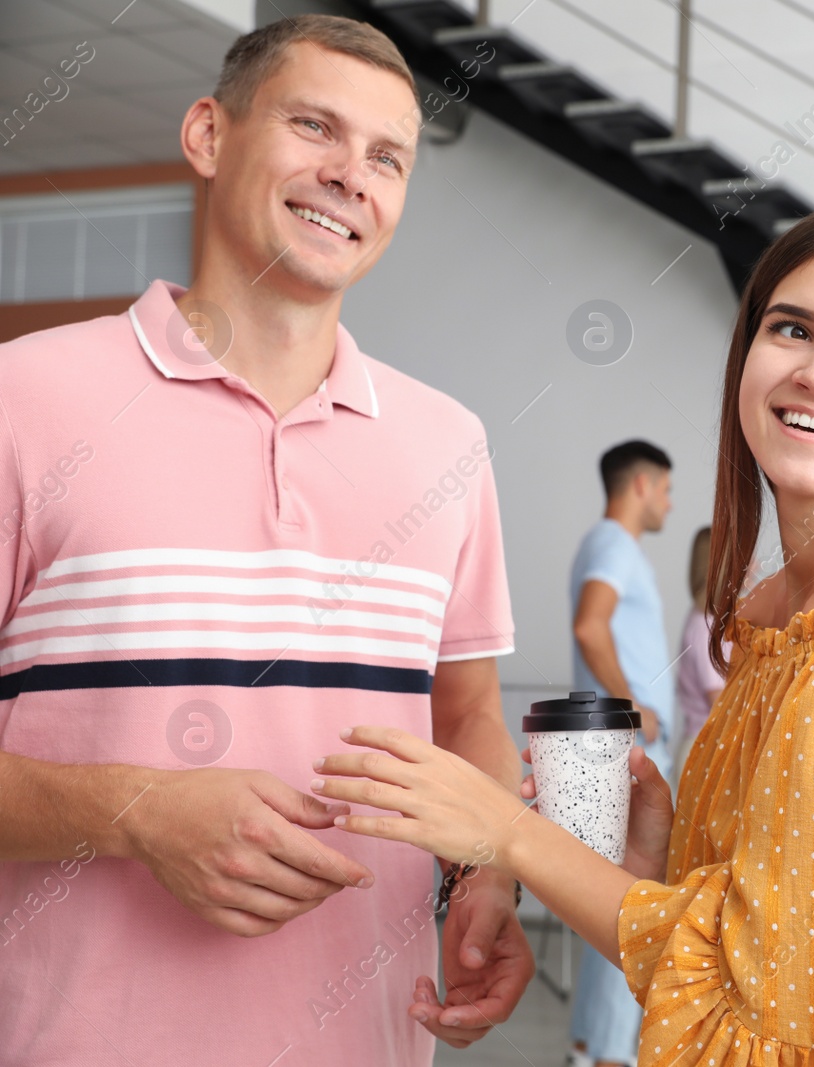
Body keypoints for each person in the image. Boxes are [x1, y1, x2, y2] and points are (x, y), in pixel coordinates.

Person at [313, 200, 814, 1065]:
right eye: (792, 328)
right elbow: (749, 965)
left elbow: (785, 1019)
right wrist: (661, 864)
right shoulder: (783, 608)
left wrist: (506, 831)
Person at [0, 15, 532, 1064]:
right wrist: (135, 809)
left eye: (387, 157)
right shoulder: (24, 398)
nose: (351, 175)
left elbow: (466, 718)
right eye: (313, 128)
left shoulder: (449, 447)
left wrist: (489, 879)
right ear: (208, 134)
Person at [566, 439, 677, 1067]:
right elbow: (590, 624)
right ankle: (610, 1055)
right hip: (620, 744)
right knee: (630, 905)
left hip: (611, 742)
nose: (667, 501)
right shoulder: (613, 542)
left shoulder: (607, 544)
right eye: (664, 488)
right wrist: (633, 704)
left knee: (608, 900)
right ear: (640, 484)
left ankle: (588, 1048)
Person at [671, 526, 725, 786]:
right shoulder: (705, 627)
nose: (755, 564)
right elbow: (720, 701)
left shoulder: (708, 622)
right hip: (704, 751)